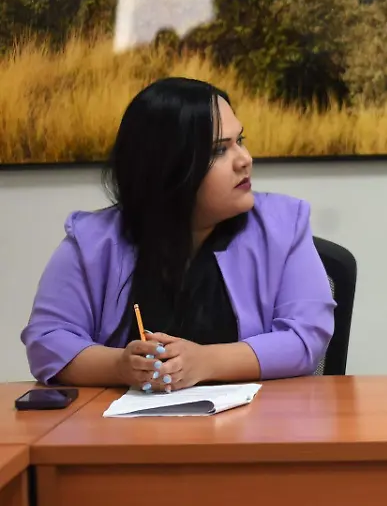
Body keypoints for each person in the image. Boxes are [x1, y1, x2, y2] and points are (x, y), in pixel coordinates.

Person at [21, 77, 335, 391]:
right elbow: (47, 340)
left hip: (255, 418)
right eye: (219, 150)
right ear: (168, 166)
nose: (245, 160)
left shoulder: (283, 225)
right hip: (124, 419)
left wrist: (205, 362)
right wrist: (120, 367)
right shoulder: (92, 240)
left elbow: (306, 338)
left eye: (240, 140)